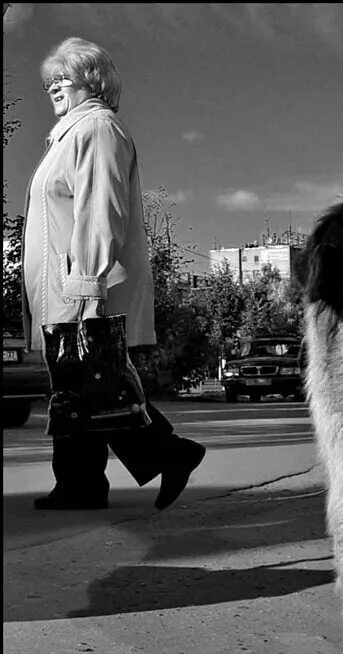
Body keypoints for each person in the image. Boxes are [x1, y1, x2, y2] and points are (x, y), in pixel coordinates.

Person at [22, 37, 206, 511]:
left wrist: (88, 282)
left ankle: (166, 454)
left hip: (82, 282)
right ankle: (82, 484)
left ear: (95, 81)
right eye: (49, 80)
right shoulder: (68, 133)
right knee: (79, 385)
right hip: (61, 287)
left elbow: (101, 212)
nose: (54, 86)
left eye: (65, 77)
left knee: (91, 382)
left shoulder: (98, 129)